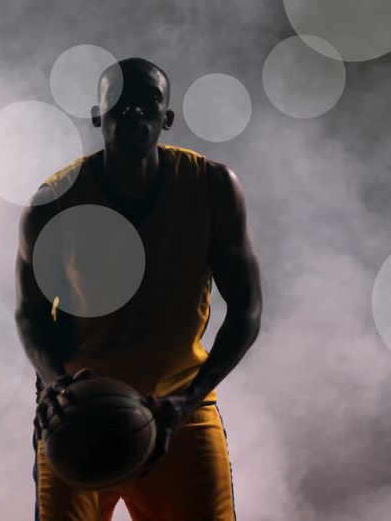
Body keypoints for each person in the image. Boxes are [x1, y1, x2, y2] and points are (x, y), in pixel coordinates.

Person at [15, 57, 262, 520]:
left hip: (180, 406)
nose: (132, 111)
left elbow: (247, 309)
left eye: (147, 101)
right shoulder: (54, 203)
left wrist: (186, 400)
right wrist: (54, 385)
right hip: (80, 412)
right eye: (119, 101)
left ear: (166, 117)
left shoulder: (210, 187)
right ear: (98, 116)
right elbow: (30, 312)